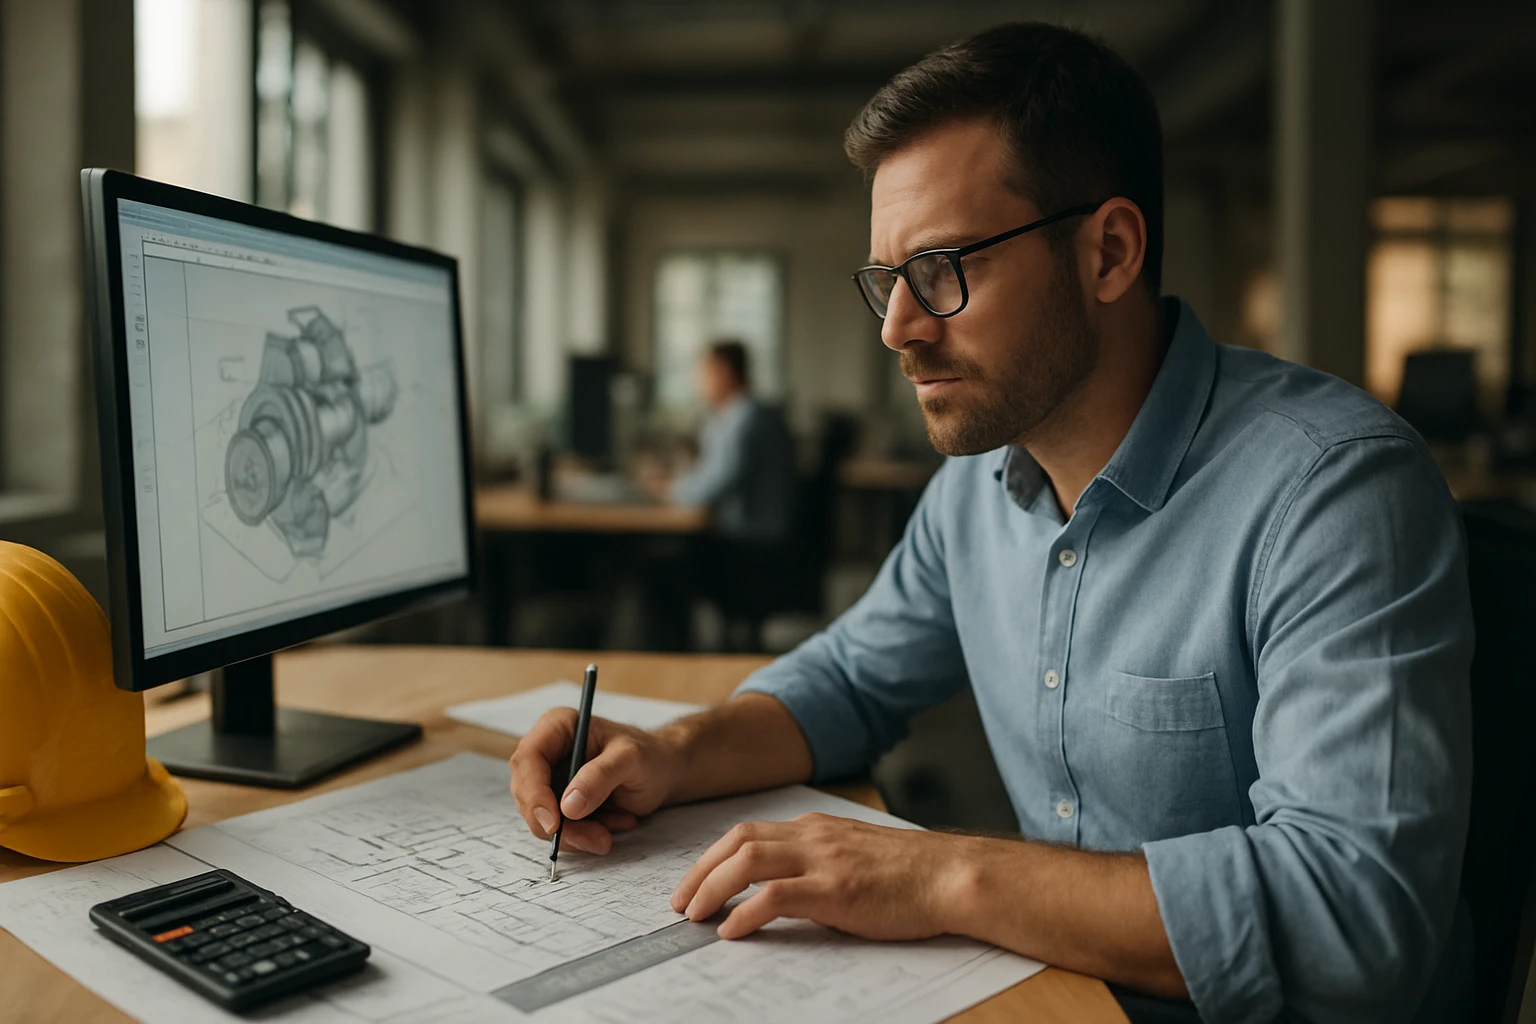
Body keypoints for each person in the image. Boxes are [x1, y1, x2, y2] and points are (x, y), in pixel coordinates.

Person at [512, 22, 1472, 1023]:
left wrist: (936, 877)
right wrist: (671, 751)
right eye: (888, 280)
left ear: (1108, 252)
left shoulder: (1334, 492)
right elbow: (845, 681)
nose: (898, 329)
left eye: (941, 269)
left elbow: (1355, 924)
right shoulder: (979, 483)